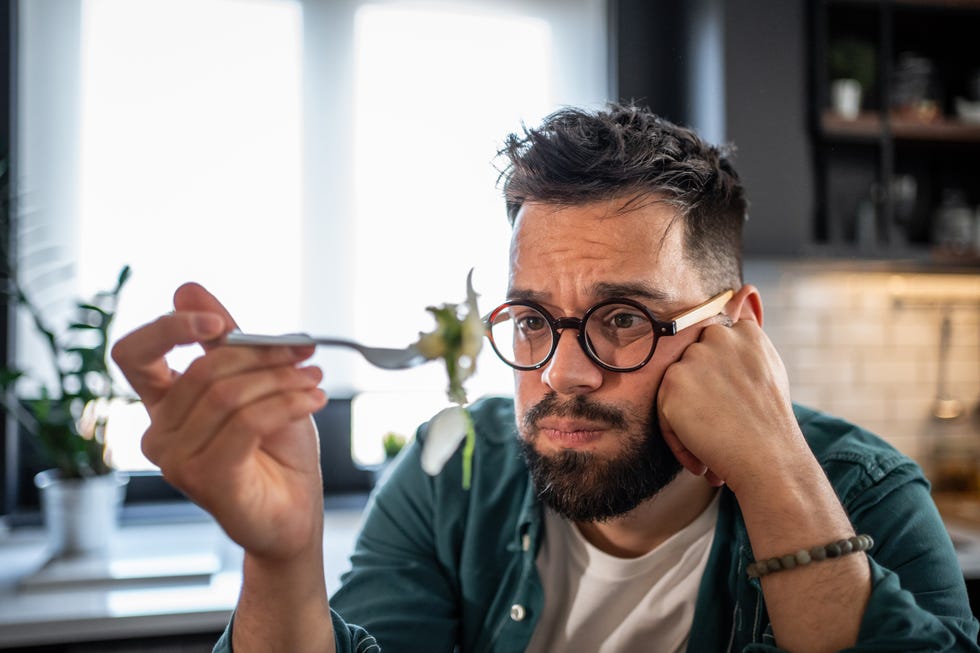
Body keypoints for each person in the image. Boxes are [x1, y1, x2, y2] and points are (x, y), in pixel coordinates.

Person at [112, 103, 980, 653]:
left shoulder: (864, 493)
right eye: (532, 319)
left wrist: (780, 473)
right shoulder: (448, 475)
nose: (562, 373)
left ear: (737, 330)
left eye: (624, 319)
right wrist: (282, 558)